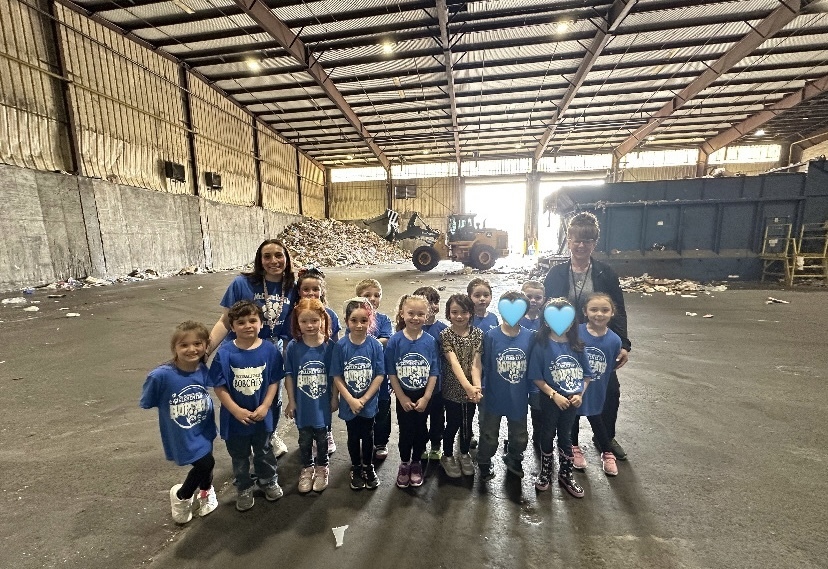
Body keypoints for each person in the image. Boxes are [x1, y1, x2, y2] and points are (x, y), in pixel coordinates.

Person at [543, 212, 631, 460]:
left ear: (594, 243)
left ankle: (605, 438)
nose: (581, 245)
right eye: (576, 240)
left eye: (587, 241)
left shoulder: (605, 273)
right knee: (570, 389)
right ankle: (570, 441)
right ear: (568, 240)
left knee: (609, 391)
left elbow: (619, 310)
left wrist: (623, 343)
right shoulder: (556, 274)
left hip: (600, 343)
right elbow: (547, 309)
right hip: (567, 343)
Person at [208, 239, 297, 458]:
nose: (273, 261)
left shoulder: (292, 287)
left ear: (287, 258)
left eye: (279, 255)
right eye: (267, 256)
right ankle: (240, 439)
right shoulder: (242, 283)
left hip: (270, 349)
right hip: (239, 350)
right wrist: (206, 351)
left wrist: (290, 362)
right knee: (241, 393)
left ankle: (268, 434)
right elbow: (224, 321)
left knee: (271, 397)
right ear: (259, 260)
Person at [207, 301, 284, 511]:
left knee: (264, 451)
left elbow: (274, 381)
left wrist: (266, 406)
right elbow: (219, 385)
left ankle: (268, 480)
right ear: (232, 327)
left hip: (262, 416)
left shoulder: (270, 350)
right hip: (235, 419)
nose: (248, 325)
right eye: (241, 322)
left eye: (253, 320)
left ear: (261, 323)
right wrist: (235, 410)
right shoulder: (225, 353)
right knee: (239, 457)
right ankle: (244, 486)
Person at [140, 321, 218, 524]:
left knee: (206, 463)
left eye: (197, 344)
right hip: (182, 433)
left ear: (206, 345)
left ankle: (205, 492)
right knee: (205, 463)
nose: (192, 349)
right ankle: (182, 496)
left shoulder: (202, 369)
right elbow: (148, 401)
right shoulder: (161, 376)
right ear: (174, 347)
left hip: (203, 428)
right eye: (184, 345)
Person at [528, 297, 594, 497]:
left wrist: (579, 395)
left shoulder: (577, 346)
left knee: (565, 436)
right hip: (550, 400)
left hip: (572, 401)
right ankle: (546, 471)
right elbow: (536, 378)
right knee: (546, 433)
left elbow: (587, 375)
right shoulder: (542, 345)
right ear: (546, 321)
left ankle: (566, 473)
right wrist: (554, 395)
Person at [477, 290, 533, 481]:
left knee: (520, 436)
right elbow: (483, 365)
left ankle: (514, 457)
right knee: (488, 435)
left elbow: (533, 367)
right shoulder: (491, 336)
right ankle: (484, 461)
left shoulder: (530, 337)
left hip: (518, 397)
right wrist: (482, 388)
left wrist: (533, 392)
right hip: (493, 397)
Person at [331, 297, 386, 490]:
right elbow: (337, 375)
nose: (359, 325)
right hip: (349, 403)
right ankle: (355, 467)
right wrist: (350, 399)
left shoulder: (375, 346)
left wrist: (363, 399)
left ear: (370, 321)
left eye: (364, 320)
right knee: (353, 435)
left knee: (368, 434)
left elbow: (379, 375)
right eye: (354, 320)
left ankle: (368, 466)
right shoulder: (341, 346)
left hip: (368, 402)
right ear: (347, 321)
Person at [386, 294, 439, 489]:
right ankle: (405, 463)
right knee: (406, 431)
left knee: (421, 430)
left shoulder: (431, 341)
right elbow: (391, 370)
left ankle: (416, 462)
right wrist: (401, 396)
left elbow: (434, 371)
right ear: (402, 314)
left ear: (427, 316)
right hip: (404, 395)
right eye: (411, 313)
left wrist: (426, 397)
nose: (415, 318)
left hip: (423, 396)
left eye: (420, 314)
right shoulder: (395, 341)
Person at [284, 298, 336, 493]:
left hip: (322, 405)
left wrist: (334, 397)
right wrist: (291, 401)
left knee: (322, 439)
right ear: (297, 323)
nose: (309, 325)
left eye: (314, 320)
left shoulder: (330, 347)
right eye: (304, 321)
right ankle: (307, 468)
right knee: (304, 440)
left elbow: (335, 376)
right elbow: (289, 375)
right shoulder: (293, 348)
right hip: (303, 405)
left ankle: (322, 468)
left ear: (323, 319)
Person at [572, 293, 623, 476]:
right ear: (585, 311)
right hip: (575, 387)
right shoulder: (576, 332)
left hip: (598, 389)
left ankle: (607, 452)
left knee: (598, 420)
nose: (599, 314)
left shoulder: (615, 340)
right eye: (593, 309)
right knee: (573, 419)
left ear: (612, 313)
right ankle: (574, 447)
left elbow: (611, 366)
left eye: (604, 310)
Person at [297, 266, 341, 455]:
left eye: (316, 289)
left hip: (325, 366)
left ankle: (327, 432)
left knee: (325, 401)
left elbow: (336, 343)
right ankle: (308, 434)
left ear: (322, 291)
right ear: (299, 291)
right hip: (305, 366)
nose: (311, 293)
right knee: (307, 399)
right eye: (306, 289)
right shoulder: (296, 313)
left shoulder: (330, 314)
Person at [438, 294, 483, 479]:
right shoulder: (445, 335)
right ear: (448, 314)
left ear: (470, 313)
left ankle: (464, 454)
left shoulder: (478, 334)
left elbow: (476, 364)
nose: (459, 316)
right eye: (454, 312)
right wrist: (467, 387)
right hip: (452, 389)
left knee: (467, 424)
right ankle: (447, 455)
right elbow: (454, 363)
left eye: (463, 312)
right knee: (453, 423)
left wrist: (476, 388)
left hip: (471, 390)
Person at [354, 278, 394, 460]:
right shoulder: (355, 320)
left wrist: (367, 343)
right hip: (360, 375)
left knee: (383, 408)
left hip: (381, 374)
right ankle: (364, 439)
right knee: (363, 407)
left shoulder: (384, 319)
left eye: (376, 295)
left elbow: (386, 338)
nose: (372, 299)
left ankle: (381, 442)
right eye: (367, 295)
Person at [414, 285, 447, 461]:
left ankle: (436, 444)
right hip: (416, 384)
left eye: (435, 302)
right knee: (419, 418)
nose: (432, 306)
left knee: (437, 417)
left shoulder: (443, 329)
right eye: (427, 302)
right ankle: (420, 445)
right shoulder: (411, 330)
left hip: (438, 385)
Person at [519, 280, 546, 449]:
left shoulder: (546, 321)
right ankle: (515, 437)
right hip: (520, 374)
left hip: (538, 375)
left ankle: (539, 436)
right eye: (529, 297)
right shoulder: (515, 320)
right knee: (518, 410)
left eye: (538, 297)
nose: (533, 300)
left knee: (537, 408)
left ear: (544, 299)